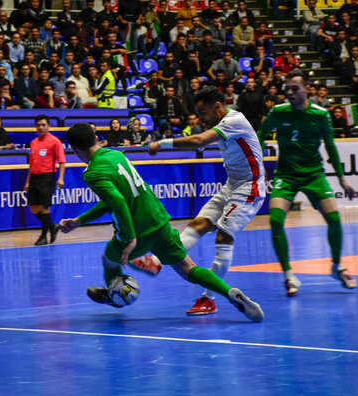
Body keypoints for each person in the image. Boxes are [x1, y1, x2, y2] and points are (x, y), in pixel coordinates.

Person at [59, 122, 264, 322]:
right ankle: (229, 293)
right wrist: (79, 221)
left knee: (109, 260)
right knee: (187, 268)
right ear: (97, 139)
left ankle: (117, 297)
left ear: (74, 149)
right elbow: (113, 200)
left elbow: (118, 201)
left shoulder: (92, 172)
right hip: (159, 219)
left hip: (136, 230)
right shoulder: (116, 155)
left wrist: (130, 238)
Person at [143, 86, 266, 316]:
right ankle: (156, 262)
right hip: (232, 184)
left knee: (223, 236)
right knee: (199, 224)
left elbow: (199, 141)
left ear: (217, 107)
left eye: (203, 114)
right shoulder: (223, 124)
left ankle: (209, 298)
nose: (201, 119)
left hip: (249, 188)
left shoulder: (234, 120)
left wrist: (161, 144)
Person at [257, 69, 357, 296]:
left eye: (294, 88)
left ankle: (336, 266)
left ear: (307, 90)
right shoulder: (279, 112)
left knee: (333, 218)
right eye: (287, 89)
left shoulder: (321, 114)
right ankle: (289, 275)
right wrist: (259, 165)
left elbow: (331, 146)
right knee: (275, 220)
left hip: (314, 174)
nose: (290, 93)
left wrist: (343, 180)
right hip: (286, 175)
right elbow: (259, 135)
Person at [24, 114, 66, 245]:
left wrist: (61, 178)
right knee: (34, 208)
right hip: (35, 177)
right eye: (38, 125)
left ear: (49, 126)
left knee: (45, 207)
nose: (41, 127)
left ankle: (43, 237)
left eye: (43, 125)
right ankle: (52, 227)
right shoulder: (34, 143)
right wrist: (28, 181)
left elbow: (62, 161)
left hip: (48, 176)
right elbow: (31, 164)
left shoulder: (55, 141)